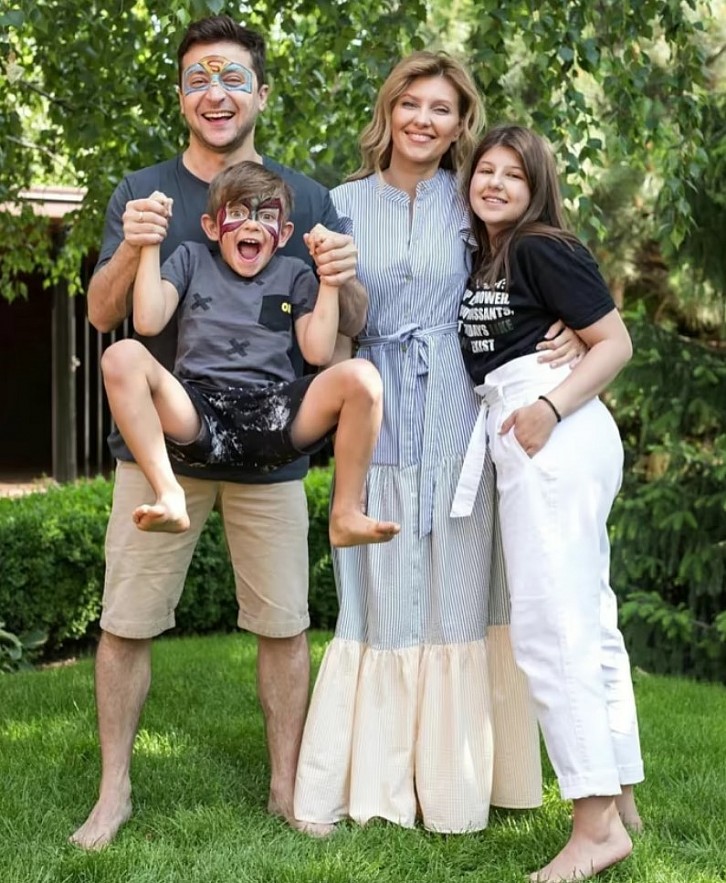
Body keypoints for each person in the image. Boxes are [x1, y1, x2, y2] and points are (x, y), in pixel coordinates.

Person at [71, 15, 367, 848]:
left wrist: (347, 283)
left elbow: (347, 328)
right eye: (200, 77)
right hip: (164, 442)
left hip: (270, 446)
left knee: (282, 623)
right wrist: (134, 250)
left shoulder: (307, 197)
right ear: (181, 94)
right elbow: (104, 316)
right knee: (127, 619)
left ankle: (284, 788)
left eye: (233, 77)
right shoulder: (142, 190)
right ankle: (113, 793)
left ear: (261, 94)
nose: (217, 93)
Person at [294, 52, 583, 834]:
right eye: (411, 103)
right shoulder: (341, 204)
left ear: (462, 124)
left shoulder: (475, 199)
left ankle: (459, 787)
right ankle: (375, 785)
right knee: (380, 589)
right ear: (388, 111)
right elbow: (331, 327)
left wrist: (565, 326)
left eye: (443, 109)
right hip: (377, 405)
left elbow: (534, 265)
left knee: (459, 585)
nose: (425, 119)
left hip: (464, 409)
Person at [451, 124, 644, 881]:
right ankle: (620, 792)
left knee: (549, 624)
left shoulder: (539, 245)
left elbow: (616, 342)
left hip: (549, 428)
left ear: (537, 189)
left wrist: (550, 409)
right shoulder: (497, 255)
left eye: (513, 175)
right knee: (587, 617)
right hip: (536, 423)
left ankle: (593, 826)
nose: (494, 182)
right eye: (485, 170)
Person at [101, 162, 398, 547]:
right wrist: (150, 243)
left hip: (274, 414)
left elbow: (318, 349)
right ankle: (168, 493)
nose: (252, 225)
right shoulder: (191, 258)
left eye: (266, 215)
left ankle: (345, 512)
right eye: (238, 213)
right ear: (212, 227)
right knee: (121, 356)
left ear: (284, 233)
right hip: (199, 411)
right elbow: (148, 321)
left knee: (363, 376)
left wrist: (328, 277)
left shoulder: (294, 273)